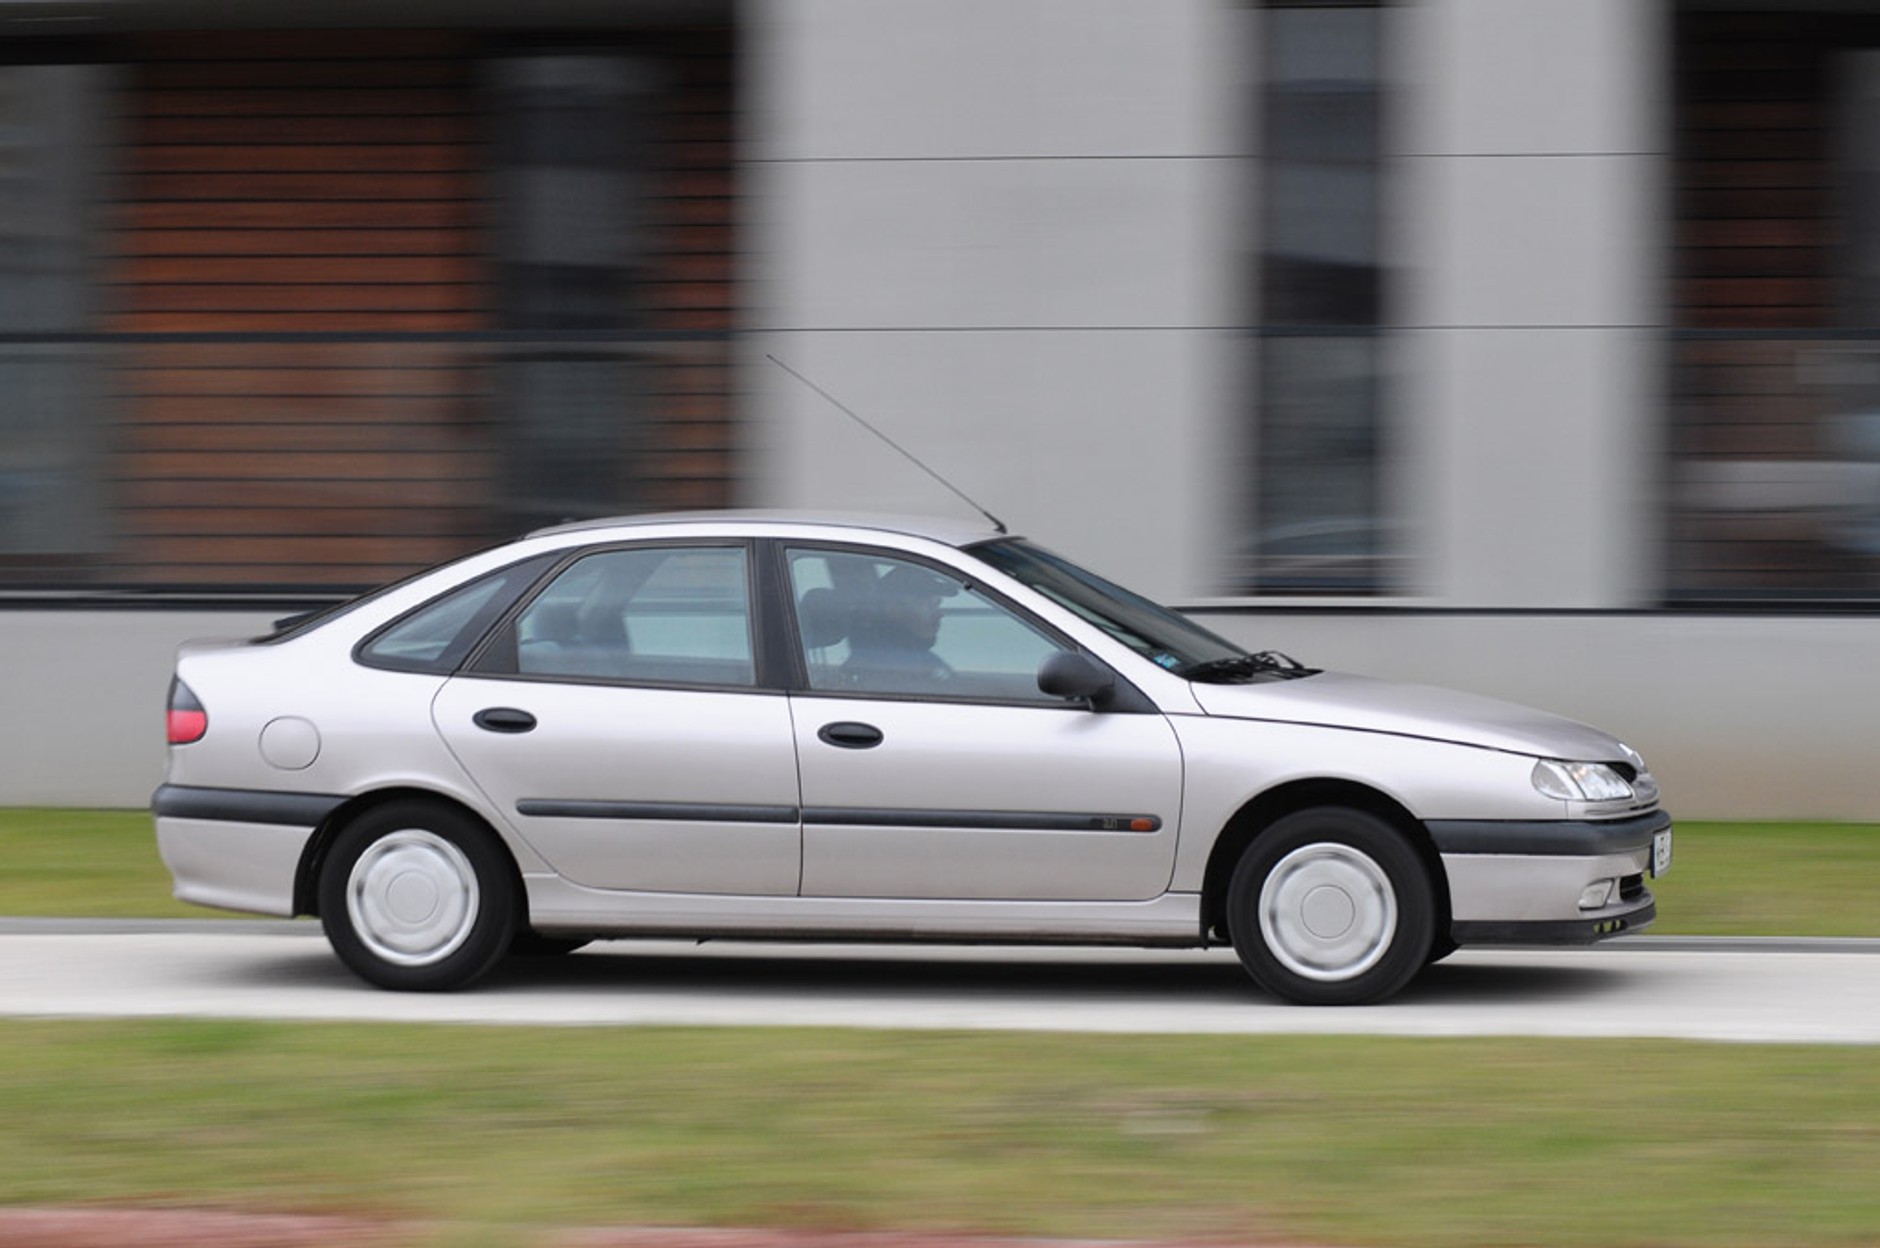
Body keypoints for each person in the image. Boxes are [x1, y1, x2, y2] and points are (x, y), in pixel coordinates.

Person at [841, 563, 957, 689]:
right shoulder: (887, 666)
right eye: (929, 605)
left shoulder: (915, 657)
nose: (939, 614)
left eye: (937, 605)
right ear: (893, 609)